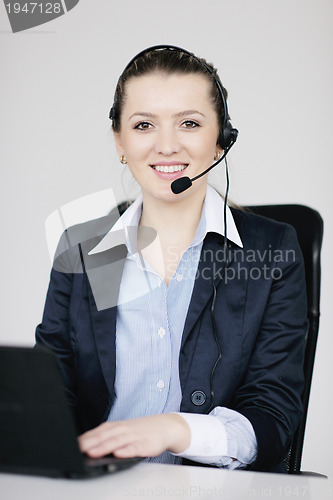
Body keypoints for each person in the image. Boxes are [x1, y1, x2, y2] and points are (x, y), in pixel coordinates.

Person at [35, 46, 308, 473]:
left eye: (189, 123)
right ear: (120, 141)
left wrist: (176, 430)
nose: (166, 145)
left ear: (221, 140)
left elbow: (273, 412)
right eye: (144, 125)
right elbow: (51, 395)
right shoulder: (83, 250)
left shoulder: (272, 250)